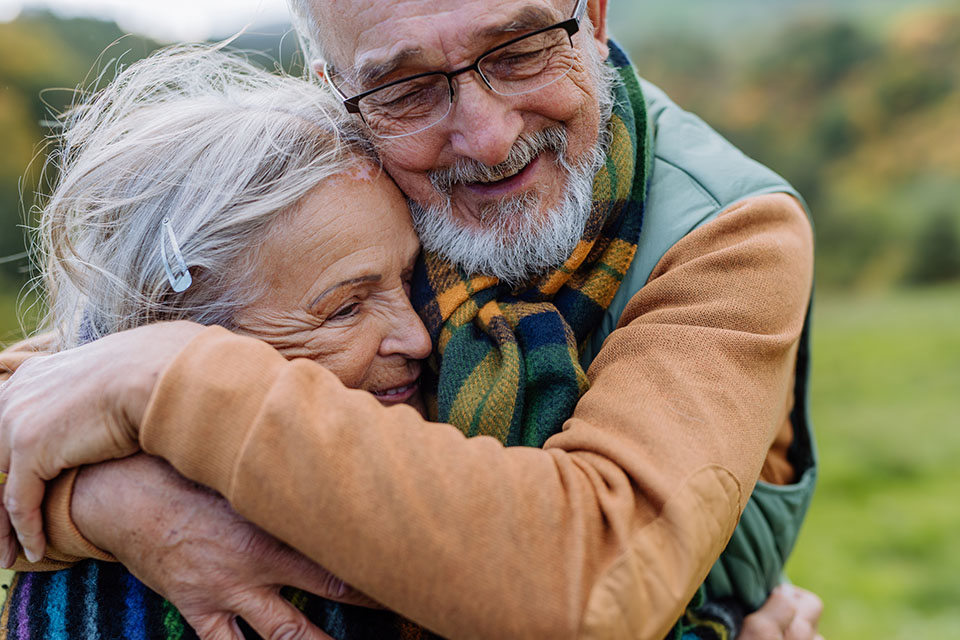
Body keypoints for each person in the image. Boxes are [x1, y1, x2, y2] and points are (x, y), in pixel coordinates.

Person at [0, 0, 823, 638]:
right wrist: (130, 510)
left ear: (595, 20)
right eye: (408, 87)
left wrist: (171, 376)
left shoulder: (731, 234)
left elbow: (592, 587)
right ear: (343, 95)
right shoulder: (360, 182)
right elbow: (40, 398)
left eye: (521, 48)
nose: (485, 133)